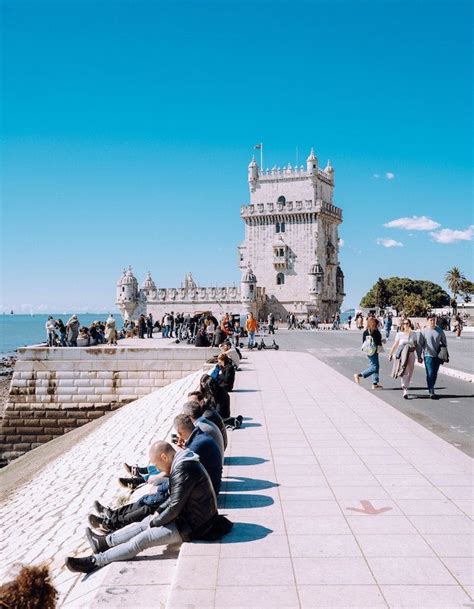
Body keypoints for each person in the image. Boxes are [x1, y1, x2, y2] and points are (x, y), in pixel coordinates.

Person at [66, 441, 219, 573]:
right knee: (142, 524)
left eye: (157, 465)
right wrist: (158, 513)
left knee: (141, 540)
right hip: (186, 517)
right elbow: (175, 498)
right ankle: (105, 542)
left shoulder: (183, 469)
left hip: (195, 525)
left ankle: (95, 561)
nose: (158, 469)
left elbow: (175, 506)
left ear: (164, 457)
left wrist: (155, 522)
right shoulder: (182, 461)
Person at [389, 319, 421, 399]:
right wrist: (390, 354)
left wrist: (419, 356)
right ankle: (405, 389)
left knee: (410, 372)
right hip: (402, 355)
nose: (406, 325)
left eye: (407, 323)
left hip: (411, 354)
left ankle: (406, 386)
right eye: (404, 323)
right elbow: (395, 345)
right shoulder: (399, 334)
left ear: (410, 325)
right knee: (404, 370)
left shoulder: (413, 334)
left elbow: (416, 346)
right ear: (402, 325)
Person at [418, 315, 447, 399]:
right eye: (431, 320)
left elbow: (444, 342)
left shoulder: (439, 331)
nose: (432, 322)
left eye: (434, 320)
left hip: (437, 356)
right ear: (427, 321)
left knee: (434, 374)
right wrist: (419, 356)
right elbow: (420, 344)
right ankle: (431, 390)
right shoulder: (424, 332)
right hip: (428, 355)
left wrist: (444, 353)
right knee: (430, 373)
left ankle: (431, 386)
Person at [354, 317, 384, 389]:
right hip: (374, 350)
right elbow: (378, 342)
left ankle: (375, 383)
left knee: (375, 365)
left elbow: (364, 342)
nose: (378, 325)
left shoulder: (365, 332)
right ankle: (359, 375)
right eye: (377, 324)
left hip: (368, 350)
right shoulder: (375, 332)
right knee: (375, 367)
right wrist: (383, 341)